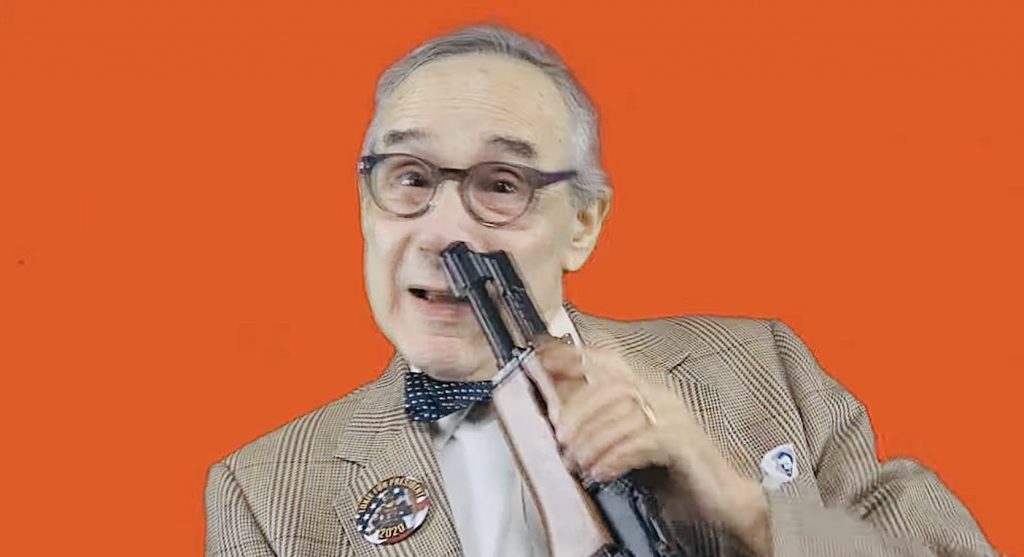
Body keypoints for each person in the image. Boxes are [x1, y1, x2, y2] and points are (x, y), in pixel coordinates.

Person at [204, 24, 996, 557]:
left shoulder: (765, 367)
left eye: (502, 184)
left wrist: (745, 507)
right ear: (365, 208)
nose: (445, 229)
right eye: (409, 178)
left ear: (583, 224)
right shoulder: (269, 492)